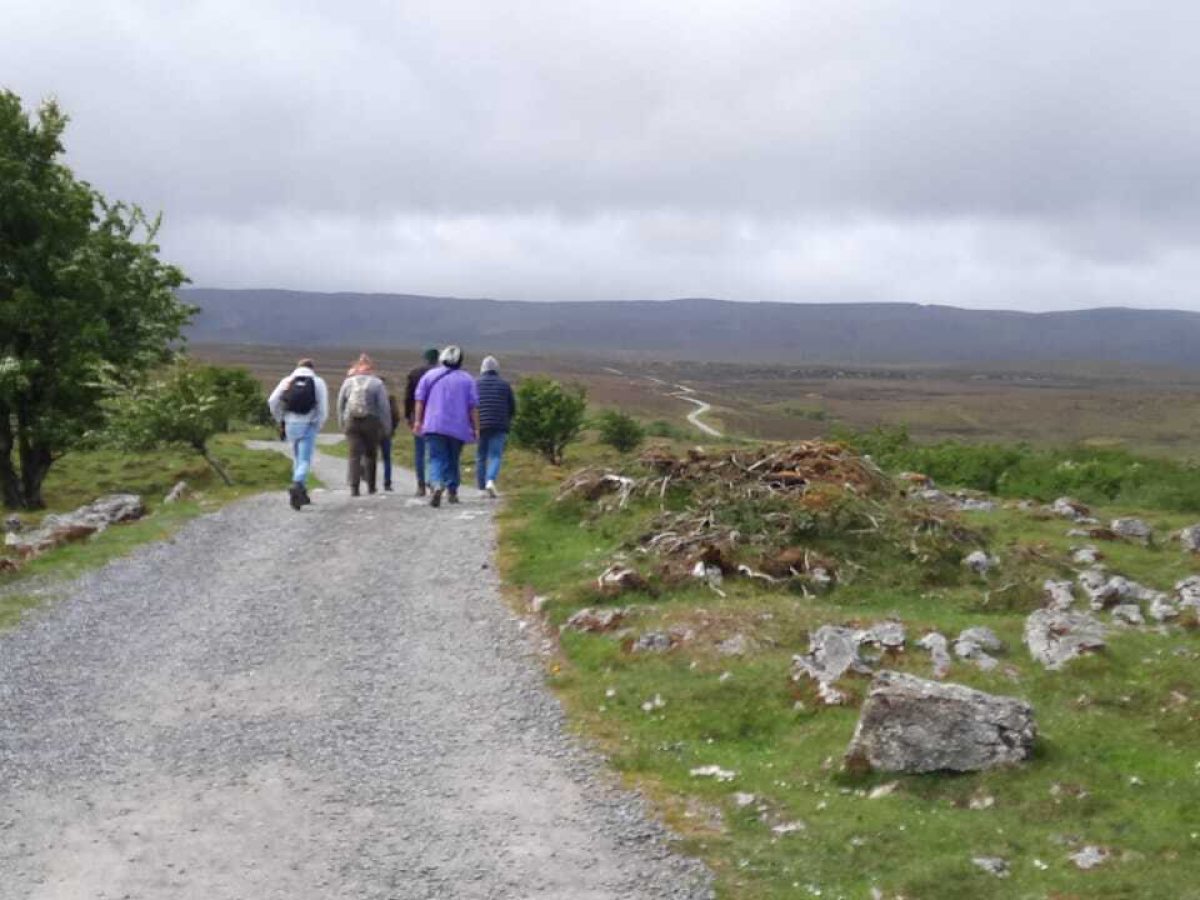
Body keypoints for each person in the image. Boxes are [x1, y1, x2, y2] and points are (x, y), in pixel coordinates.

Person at [412, 345, 479, 508]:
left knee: (436, 457)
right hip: (458, 427)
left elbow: (419, 400)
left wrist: (418, 421)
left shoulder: (429, 376)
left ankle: (436, 484)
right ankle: (452, 491)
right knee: (453, 459)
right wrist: (476, 427)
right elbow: (473, 407)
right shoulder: (468, 379)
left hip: (434, 425)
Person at [267, 358, 329, 511]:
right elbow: (323, 407)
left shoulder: (287, 380)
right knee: (305, 460)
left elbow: (272, 400)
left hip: (290, 423)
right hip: (308, 424)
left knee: (296, 457)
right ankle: (297, 484)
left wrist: (280, 418)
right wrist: (318, 423)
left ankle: (301, 493)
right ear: (312, 368)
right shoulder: (318, 382)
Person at [337, 354, 393, 496]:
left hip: (352, 421)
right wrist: (387, 427)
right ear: (371, 369)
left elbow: (340, 404)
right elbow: (384, 407)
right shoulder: (377, 383)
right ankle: (371, 486)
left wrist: (342, 423)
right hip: (371, 422)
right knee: (370, 454)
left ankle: (354, 488)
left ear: (357, 368)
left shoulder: (348, 382)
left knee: (354, 455)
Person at [474, 356, 516, 498]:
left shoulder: (476, 384)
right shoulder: (504, 385)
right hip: (499, 425)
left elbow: (471, 405)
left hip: (480, 424)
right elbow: (512, 407)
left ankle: (480, 488)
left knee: (481, 456)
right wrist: (507, 420)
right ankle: (490, 480)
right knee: (495, 456)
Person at [404, 348, 439, 497]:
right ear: (437, 358)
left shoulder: (414, 373)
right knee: (434, 452)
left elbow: (408, 397)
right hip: (436, 416)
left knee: (419, 452)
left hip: (418, 417)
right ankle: (433, 482)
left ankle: (420, 486)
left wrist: (408, 416)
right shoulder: (441, 373)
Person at [379, 376, 402, 492]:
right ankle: (387, 483)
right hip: (387, 432)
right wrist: (392, 429)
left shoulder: (370, 398)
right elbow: (396, 416)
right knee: (387, 458)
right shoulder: (390, 399)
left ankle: (370, 482)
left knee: (369, 456)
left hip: (372, 432)